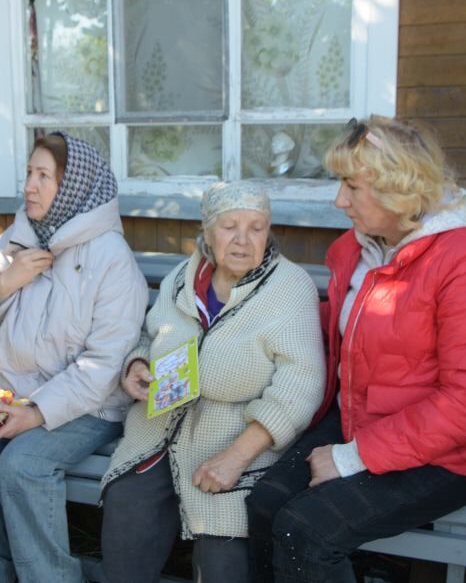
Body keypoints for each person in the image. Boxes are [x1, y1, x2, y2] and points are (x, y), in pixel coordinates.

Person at [246, 116, 466, 582]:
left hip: (453, 453)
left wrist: (350, 458)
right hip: (364, 418)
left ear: (399, 189)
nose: (340, 201)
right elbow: (344, 330)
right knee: (263, 504)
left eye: (352, 187)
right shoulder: (359, 248)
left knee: (305, 530)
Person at [0, 132, 149, 583]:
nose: (29, 187)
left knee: (22, 467)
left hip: (85, 404)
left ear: (73, 186)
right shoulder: (12, 243)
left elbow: (104, 364)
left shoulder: (111, 258)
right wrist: (5, 284)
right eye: (28, 174)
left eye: (44, 176)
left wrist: (37, 412)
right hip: (6, 391)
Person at [100, 180, 326, 583]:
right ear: (207, 232)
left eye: (256, 228)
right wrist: (138, 365)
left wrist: (236, 457)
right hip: (159, 431)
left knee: (223, 552)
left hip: (239, 437)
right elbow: (151, 336)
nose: (243, 240)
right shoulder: (182, 278)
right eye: (229, 227)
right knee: (126, 508)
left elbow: (301, 386)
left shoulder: (289, 288)